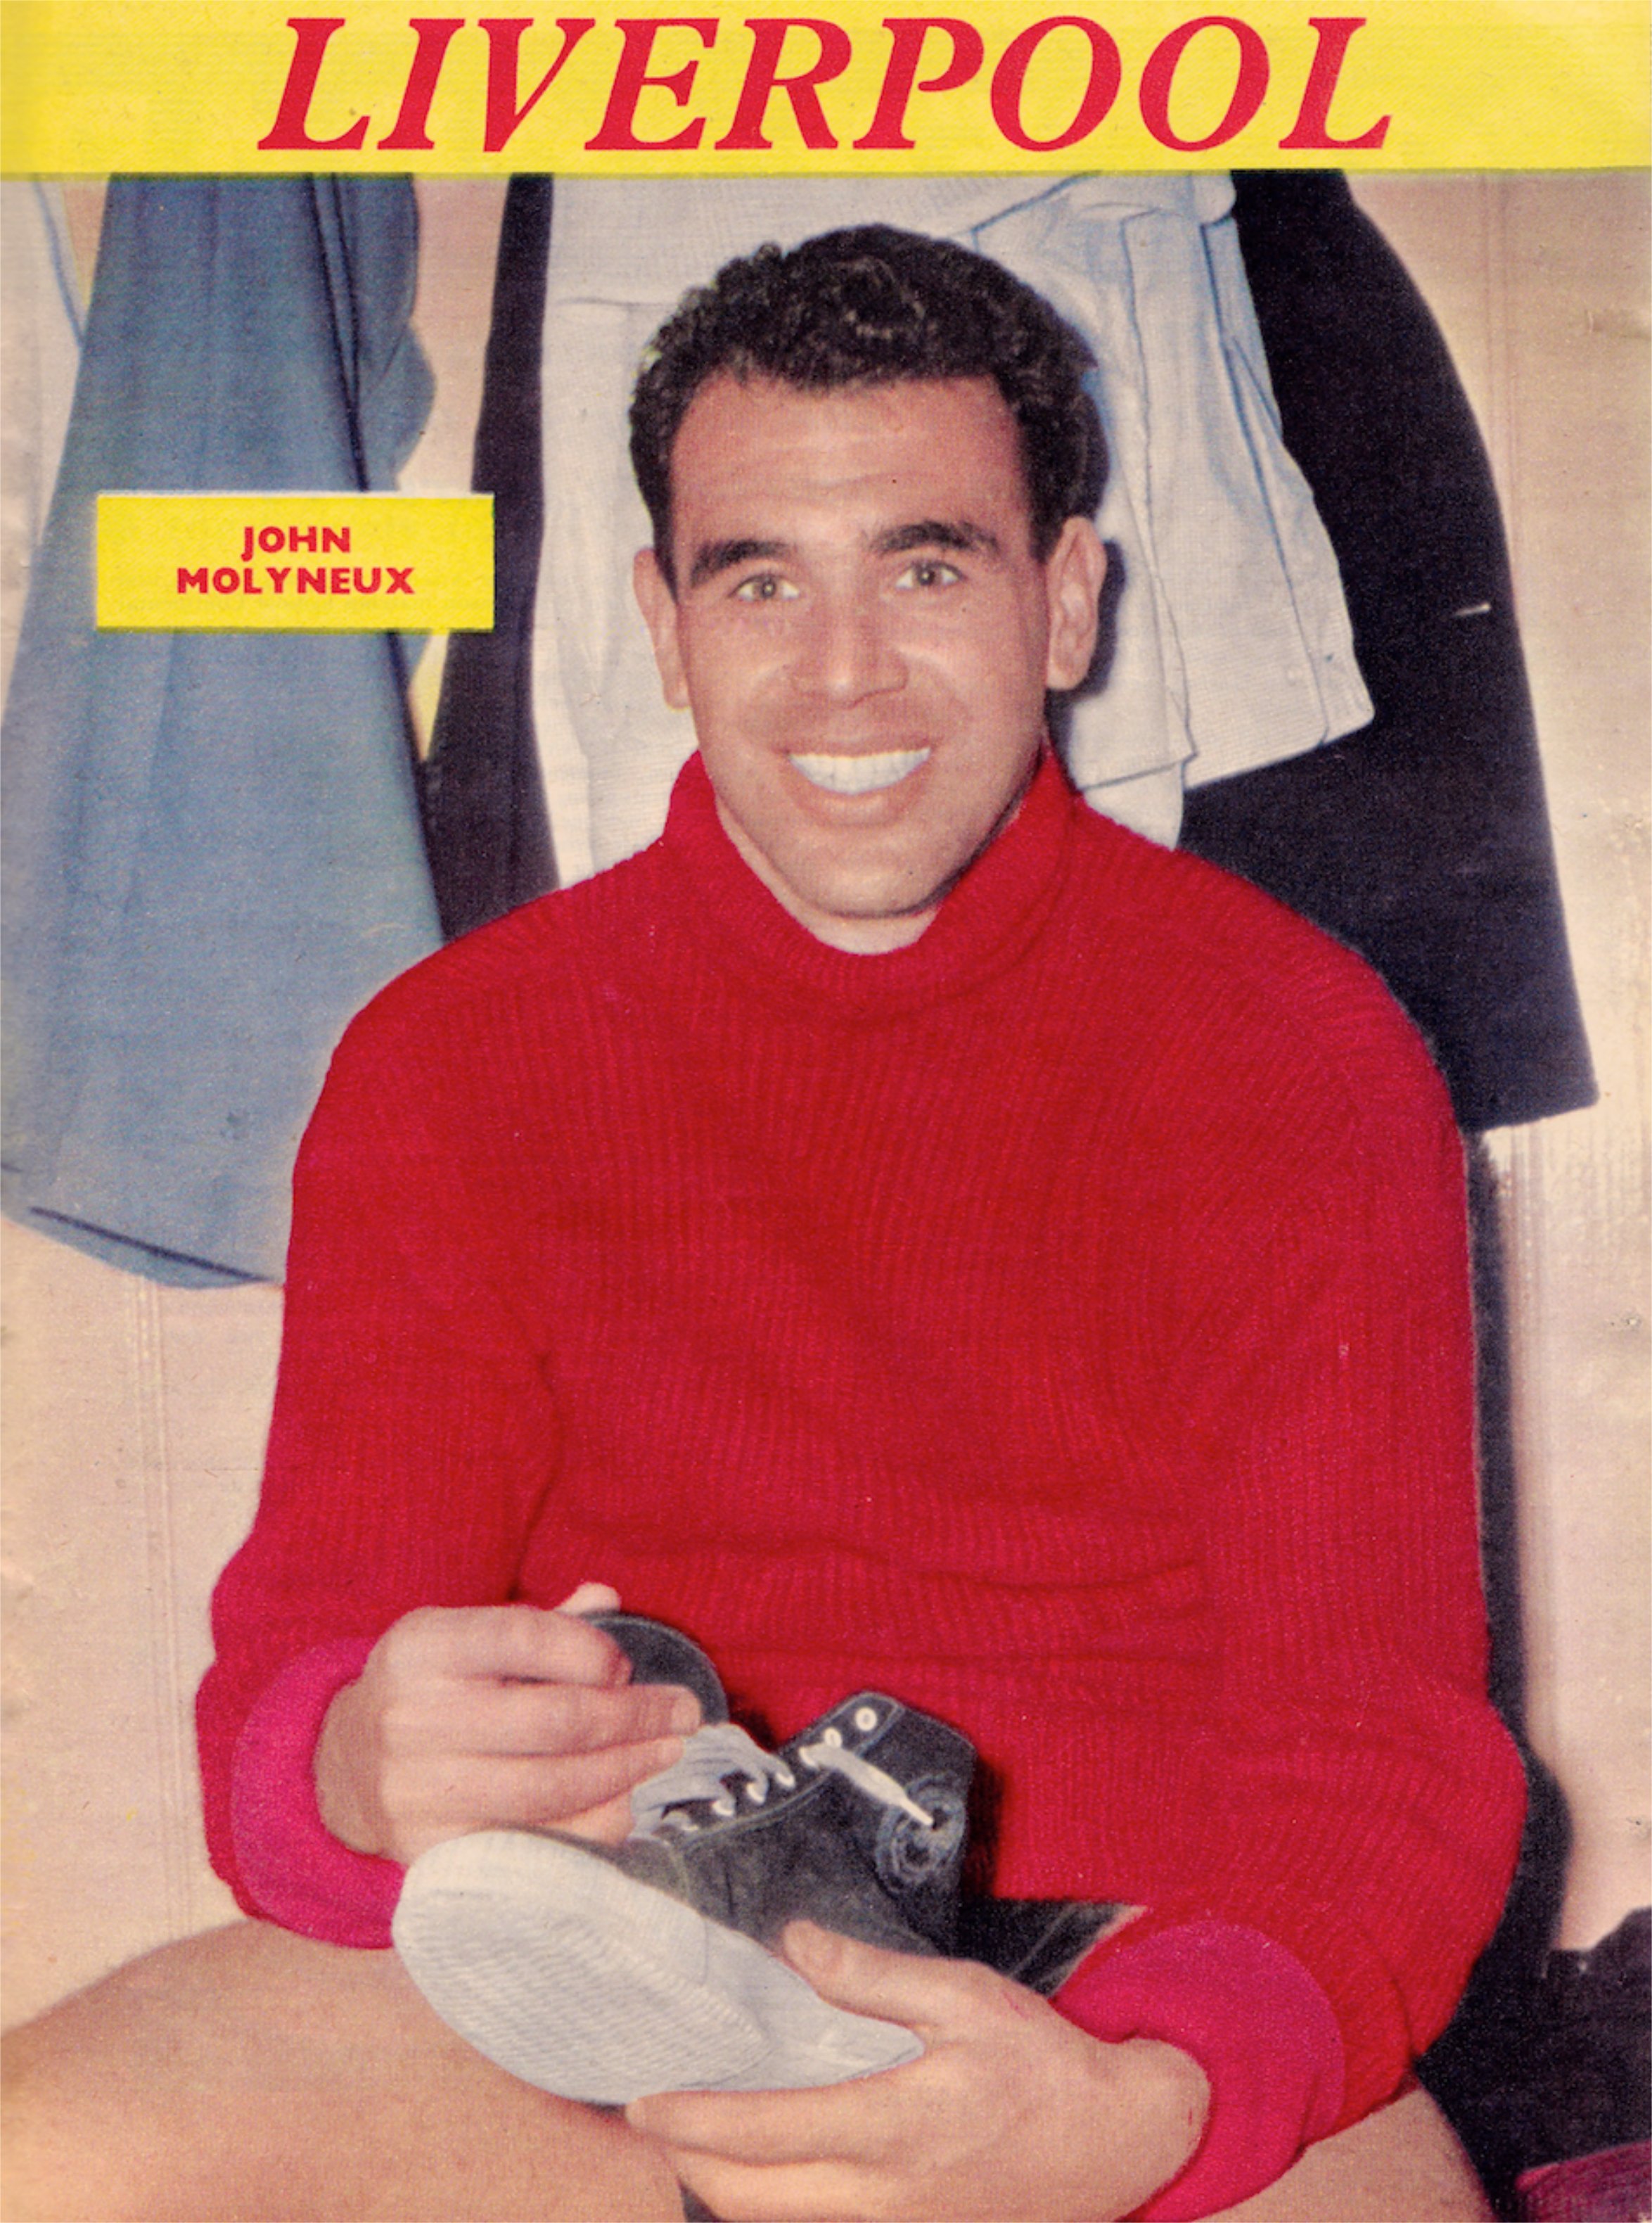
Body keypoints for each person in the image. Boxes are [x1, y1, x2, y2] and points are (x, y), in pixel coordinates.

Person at [3, 227, 1523, 2223]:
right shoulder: (452, 1060)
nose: (842, 670)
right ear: (663, 622)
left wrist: (1148, 2099)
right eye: (759, 579)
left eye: (927, 566)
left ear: (1067, 598)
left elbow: (1382, 1763)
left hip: (1121, 1989)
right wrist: (351, 1764)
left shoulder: (1302, 1053)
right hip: (605, 1975)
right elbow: (293, 1695)